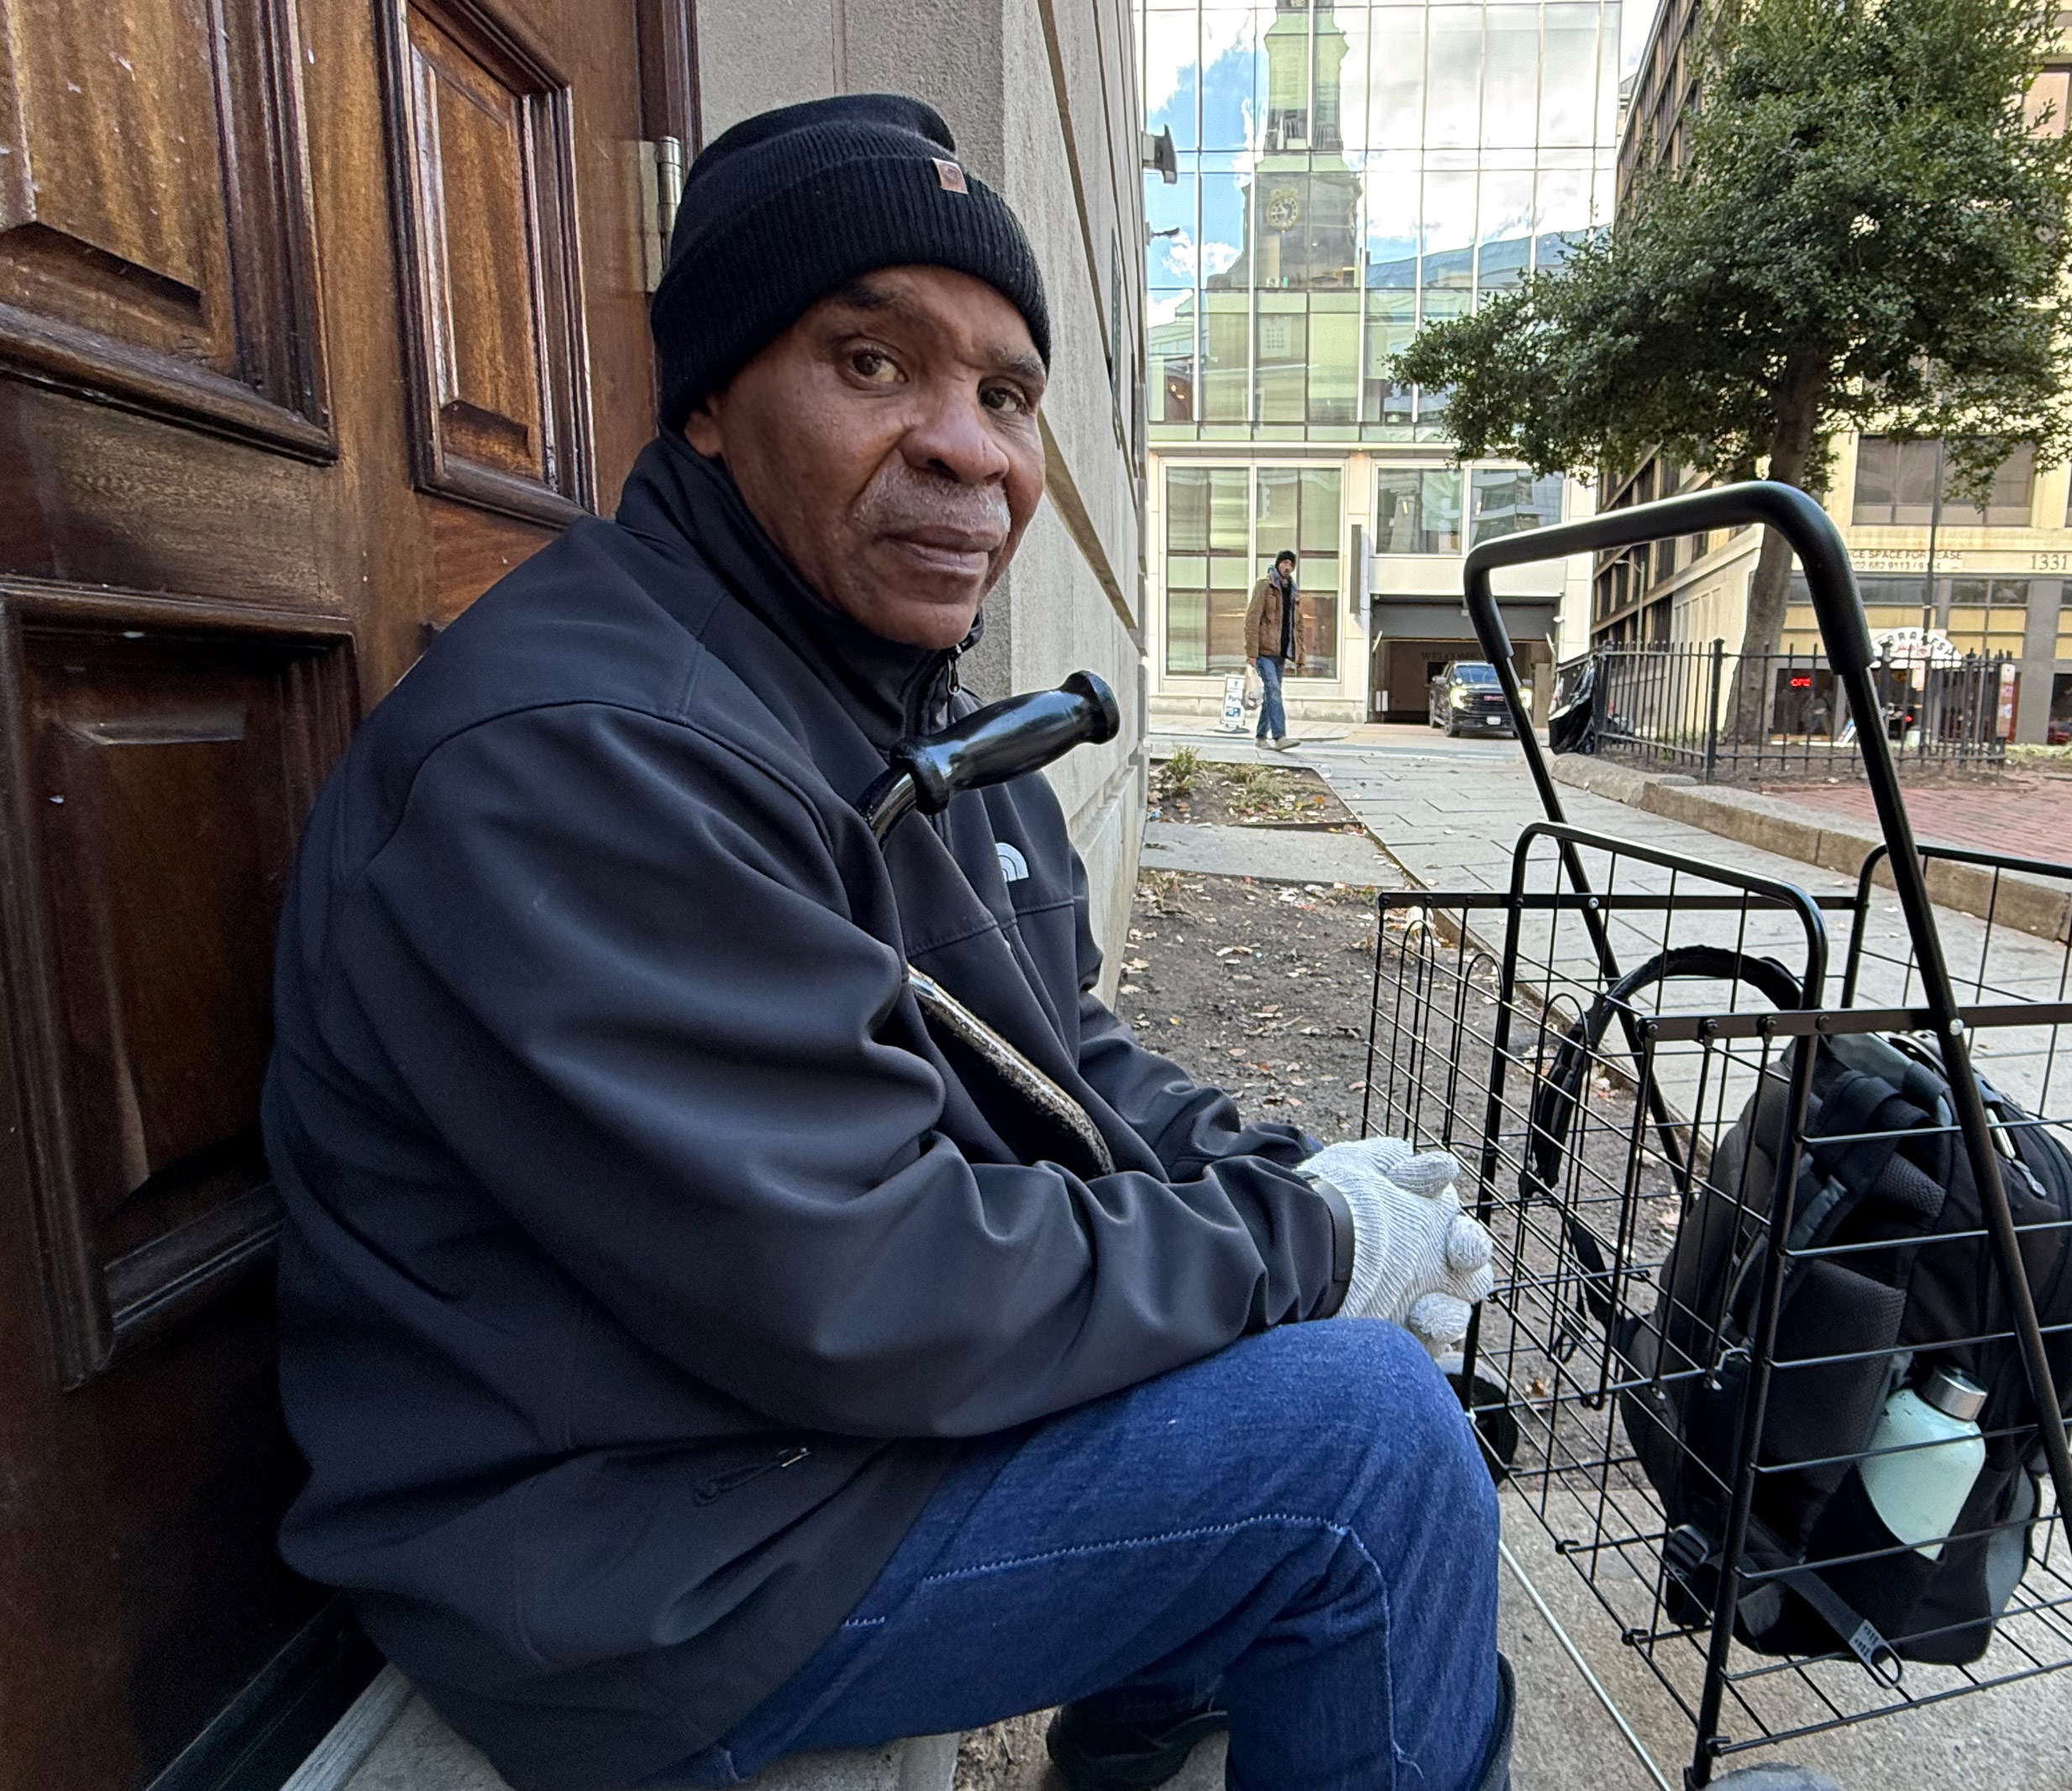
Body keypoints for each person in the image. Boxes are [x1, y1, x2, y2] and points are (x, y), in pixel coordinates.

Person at [261, 96, 1508, 1791]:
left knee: (1299, 1360)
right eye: (871, 363)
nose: (969, 448)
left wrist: (1301, 1175)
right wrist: (1298, 1249)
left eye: (1003, 391)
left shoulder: (882, 699)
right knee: (1360, 1456)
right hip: (627, 1546)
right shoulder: (580, 752)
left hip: (758, 1446)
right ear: (707, 399)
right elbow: (864, 1283)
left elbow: (1060, 1063)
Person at [1244, 549, 1300, 749]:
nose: (1287, 567)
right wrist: (1251, 652)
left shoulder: (1293, 590)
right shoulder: (1264, 586)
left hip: (1281, 653)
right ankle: (1279, 736)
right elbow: (1252, 619)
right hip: (1263, 652)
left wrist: (1298, 654)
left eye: (1291, 564)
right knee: (1274, 690)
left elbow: (1296, 625)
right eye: (1284, 563)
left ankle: (1260, 737)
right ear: (1277, 564)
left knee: (1271, 694)